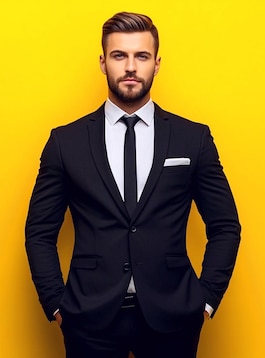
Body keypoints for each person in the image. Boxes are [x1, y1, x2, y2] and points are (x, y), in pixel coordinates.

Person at [25, 11, 241, 358]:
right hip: (88, 319)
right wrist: (56, 304)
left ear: (156, 64)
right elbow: (39, 231)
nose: (130, 67)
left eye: (141, 56)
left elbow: (226, 226)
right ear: (103, 62)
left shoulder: (193, 139)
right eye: (119, 55)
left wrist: (206, 300)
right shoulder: (65, 142)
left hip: (174, 317)